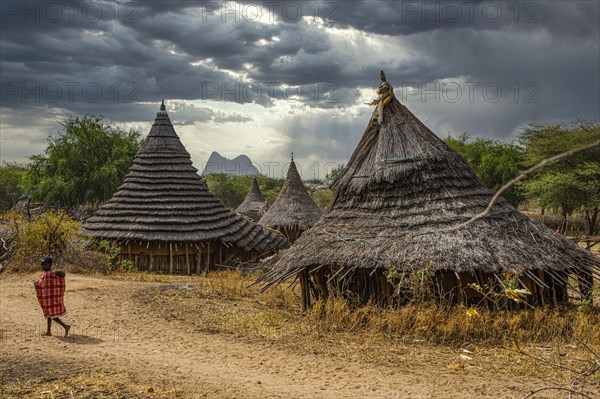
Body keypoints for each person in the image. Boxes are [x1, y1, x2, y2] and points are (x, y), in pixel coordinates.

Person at [33, 257, 70, 336]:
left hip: (49, 298)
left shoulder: (48, 275)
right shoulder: (47, 274)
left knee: (51, 315)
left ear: (50, 265)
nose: (43, 266)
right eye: (41, 264)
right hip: (48, 298)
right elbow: (42, 284)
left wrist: (36, 284)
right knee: (48, 314)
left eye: (44, 264)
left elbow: (56, 283)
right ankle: (48, 331)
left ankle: (65, 326)